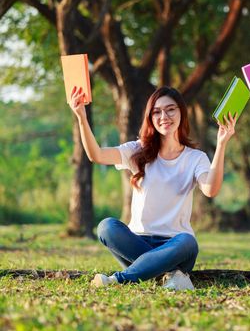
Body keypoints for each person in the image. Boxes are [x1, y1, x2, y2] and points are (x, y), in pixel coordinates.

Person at [69, 85, 236, 290]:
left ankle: (118, 280)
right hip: (136, 243)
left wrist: (221, 144)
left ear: (181, 113)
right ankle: (170, 275)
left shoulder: (195, 157)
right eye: (157, 112)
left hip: (175, 247)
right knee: (106, 227)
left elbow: (210, 189)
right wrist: (82, 118)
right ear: (150, 117)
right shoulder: (137, 150)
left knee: (188, 241)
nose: (163, 116)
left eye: (170, 109)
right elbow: (97, 155)